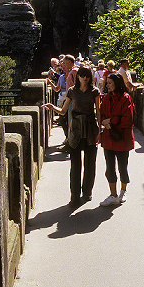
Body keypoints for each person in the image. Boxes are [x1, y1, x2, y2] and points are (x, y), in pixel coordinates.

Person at [42, 66, 101, 207]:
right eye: (82, 76)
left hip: (91, 128)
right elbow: (63, 111)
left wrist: (100, 130)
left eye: (87, 76)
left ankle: (87, 192)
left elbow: (98, 111)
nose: (85, 78)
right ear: (78, 77)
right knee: (75, 165)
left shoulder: (95, 92)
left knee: (90, 163)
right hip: (75, 129)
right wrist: (52, 107)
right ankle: (74, 197)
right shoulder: (71, 91)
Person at [99, 73, 135, 207]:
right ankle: (113, 195)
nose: (107, 85)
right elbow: (101, 113)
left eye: (109, 83)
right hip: (108, 137)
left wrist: (111, 121)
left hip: (122, 138)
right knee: (109, 168)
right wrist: (105, 123)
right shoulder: (107, 98)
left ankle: (123, 191)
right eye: (107, 83)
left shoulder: (126, 98)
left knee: (122, 167)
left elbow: (128, 119)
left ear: (117, 84)